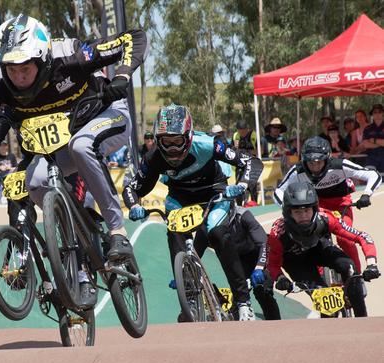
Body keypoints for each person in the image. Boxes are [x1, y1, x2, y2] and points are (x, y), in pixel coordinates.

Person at [0, 14, 146, 274]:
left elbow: (134, 37)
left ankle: (118, 231)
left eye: (25, 68)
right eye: (11, 69)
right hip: (60, 146)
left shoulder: (71, 56)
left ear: (41, 58)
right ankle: (71, 243)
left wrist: (122, 75)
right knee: (34, 179)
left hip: (106, 116)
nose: (18, 77)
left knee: (81, 145)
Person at [123, 104, 264, 321]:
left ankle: (243, 301)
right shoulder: (154, 157)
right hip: (180, 198)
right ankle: (189, 295)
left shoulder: (209, 143)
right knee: (175, 234)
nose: (171, 148)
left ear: (188, 136)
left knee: (217, 233)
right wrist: (134, 206)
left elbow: (250, 162)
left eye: (176, 141)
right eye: (165, 141)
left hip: (213, 194)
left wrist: (242, 186)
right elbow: (132, 187)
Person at [255, 182, 379, 319]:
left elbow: (362, 237)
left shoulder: (326, 218)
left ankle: (362, 318)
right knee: (324, 297)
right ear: (288, 213)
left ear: (315, 209)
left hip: (319, 248)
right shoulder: (277, 233)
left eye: (307, 210)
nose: (303, 216)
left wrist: (371, 264)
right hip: (295, 262)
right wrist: (281, 278)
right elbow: (272, 264)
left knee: (350, 268)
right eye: (297, 212)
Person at [275, 136, 381, 273]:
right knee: (310, 239)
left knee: (345, 239)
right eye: (310, 162)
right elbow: (279, 190)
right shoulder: (297, 171)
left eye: (319, 162)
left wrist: (367, 194)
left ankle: (356, 276)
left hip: (341, 205)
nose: (315, 167)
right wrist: (286, 205)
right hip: (316, 207)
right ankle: (320, 283)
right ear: (304, 160)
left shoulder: (340, 165)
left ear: (328, 158)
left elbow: (373, 175)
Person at [232, 120, 259, 205]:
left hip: (252, 164)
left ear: (247, 129)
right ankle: (239, 206)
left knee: (252, 186)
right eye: (240, 131)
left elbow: (259, 151)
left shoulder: (253, 135)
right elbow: (234, 150)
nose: (242, 133)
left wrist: (246, 152)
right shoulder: (236, 136)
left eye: (244, 131)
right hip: (240, 165)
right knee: (239, 186)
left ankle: (255, 204)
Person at [359, 103, 384, 172]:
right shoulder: (367, 128)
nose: (377, 114)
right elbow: (365, 144)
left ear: (383, 113)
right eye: (375, 112)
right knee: (371, 180)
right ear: (372, 114)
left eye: (379, 112)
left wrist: (374, 140)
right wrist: (380, 143)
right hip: (371, 159)